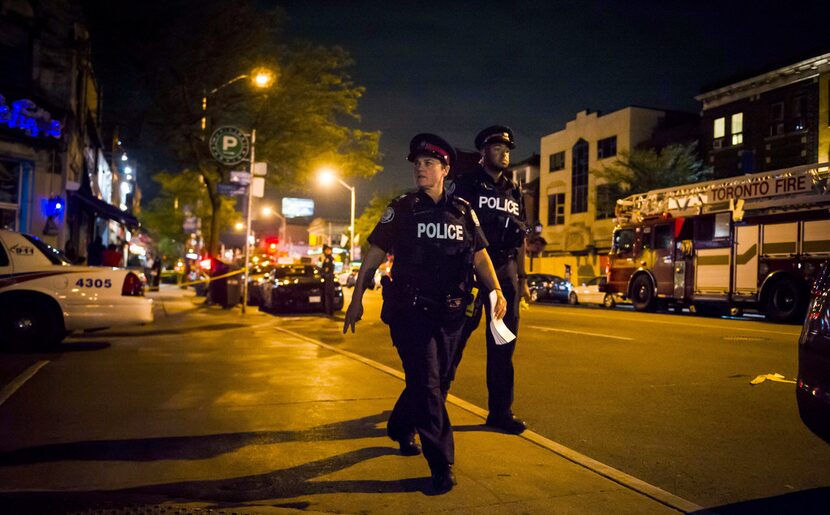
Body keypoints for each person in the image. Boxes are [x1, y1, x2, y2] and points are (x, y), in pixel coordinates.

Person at [343, 133, 507, 493]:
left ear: (445, 169)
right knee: (429, 384)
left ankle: (401, 426)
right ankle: (441, 464)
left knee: (438, 380)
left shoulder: (464, 210)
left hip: (451, 313)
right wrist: (356, 299)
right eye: (417, 163)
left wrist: (495, 290)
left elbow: (480, 256)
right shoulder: (402, 208)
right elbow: (374, 255)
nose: (420, 168)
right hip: (410, 311)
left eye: (429, 163)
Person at [449, 125, 531, 435]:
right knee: (454, 340)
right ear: (483, 151)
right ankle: (432, 405)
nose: (505, 153)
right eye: (498, 148)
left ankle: (500, 412)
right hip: (473, 268)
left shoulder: (513, 189)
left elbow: (521, 235)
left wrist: (522, 279)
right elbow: (455, 226)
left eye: (508, 148)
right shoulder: (467, 183)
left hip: (505, 268)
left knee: (502, 343)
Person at [320, 244, 336, 315]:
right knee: (327, 295)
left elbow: (330, 270)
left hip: (329, 279)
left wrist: (326, 274)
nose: (328, 251)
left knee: (329, 295)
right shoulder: (325, 259)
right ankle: (328, 311)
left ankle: (330, 311)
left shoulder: (330, 259)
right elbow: (322, 269)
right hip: (327, 279)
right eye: (327, 250)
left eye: (329, 250)